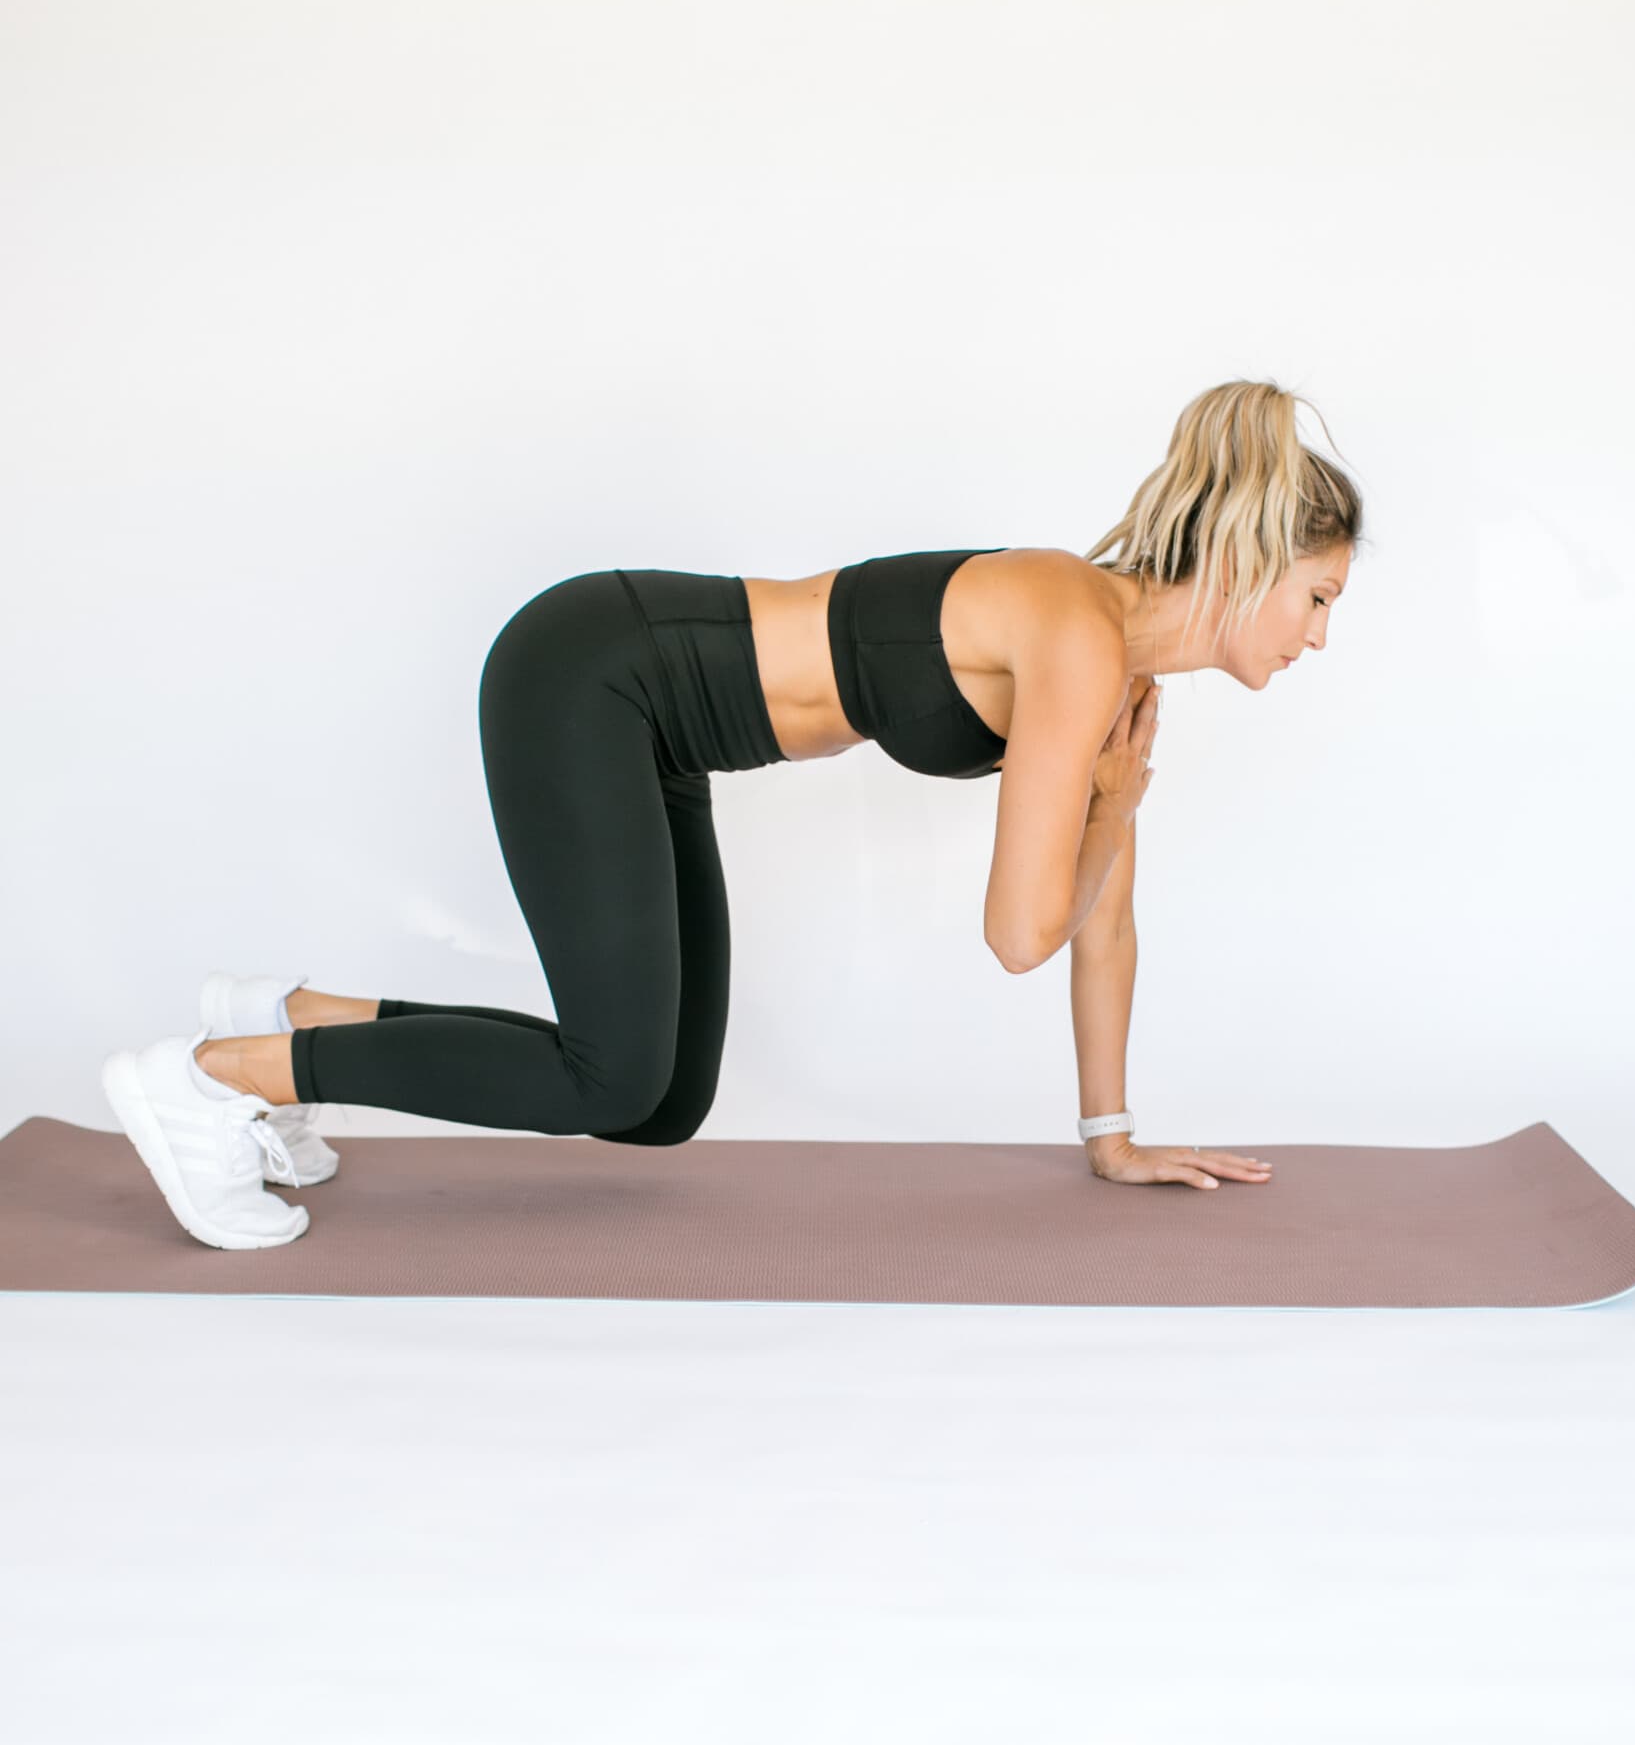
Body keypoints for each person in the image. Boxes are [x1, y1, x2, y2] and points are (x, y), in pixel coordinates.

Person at [101, 376, 1362, 1250]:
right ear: (1248, 565)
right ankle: (208, 1080)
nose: (1318, 633)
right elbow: (1020, 930)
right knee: (611, 1073)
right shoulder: (1077, 634)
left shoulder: (1116, 675)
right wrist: (1112, 802)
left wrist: (1112, 1136)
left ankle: (286, 1023)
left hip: (661, 722)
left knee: (656, 1100)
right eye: (1313, 597)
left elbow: (1104, 924)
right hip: (592, 670)